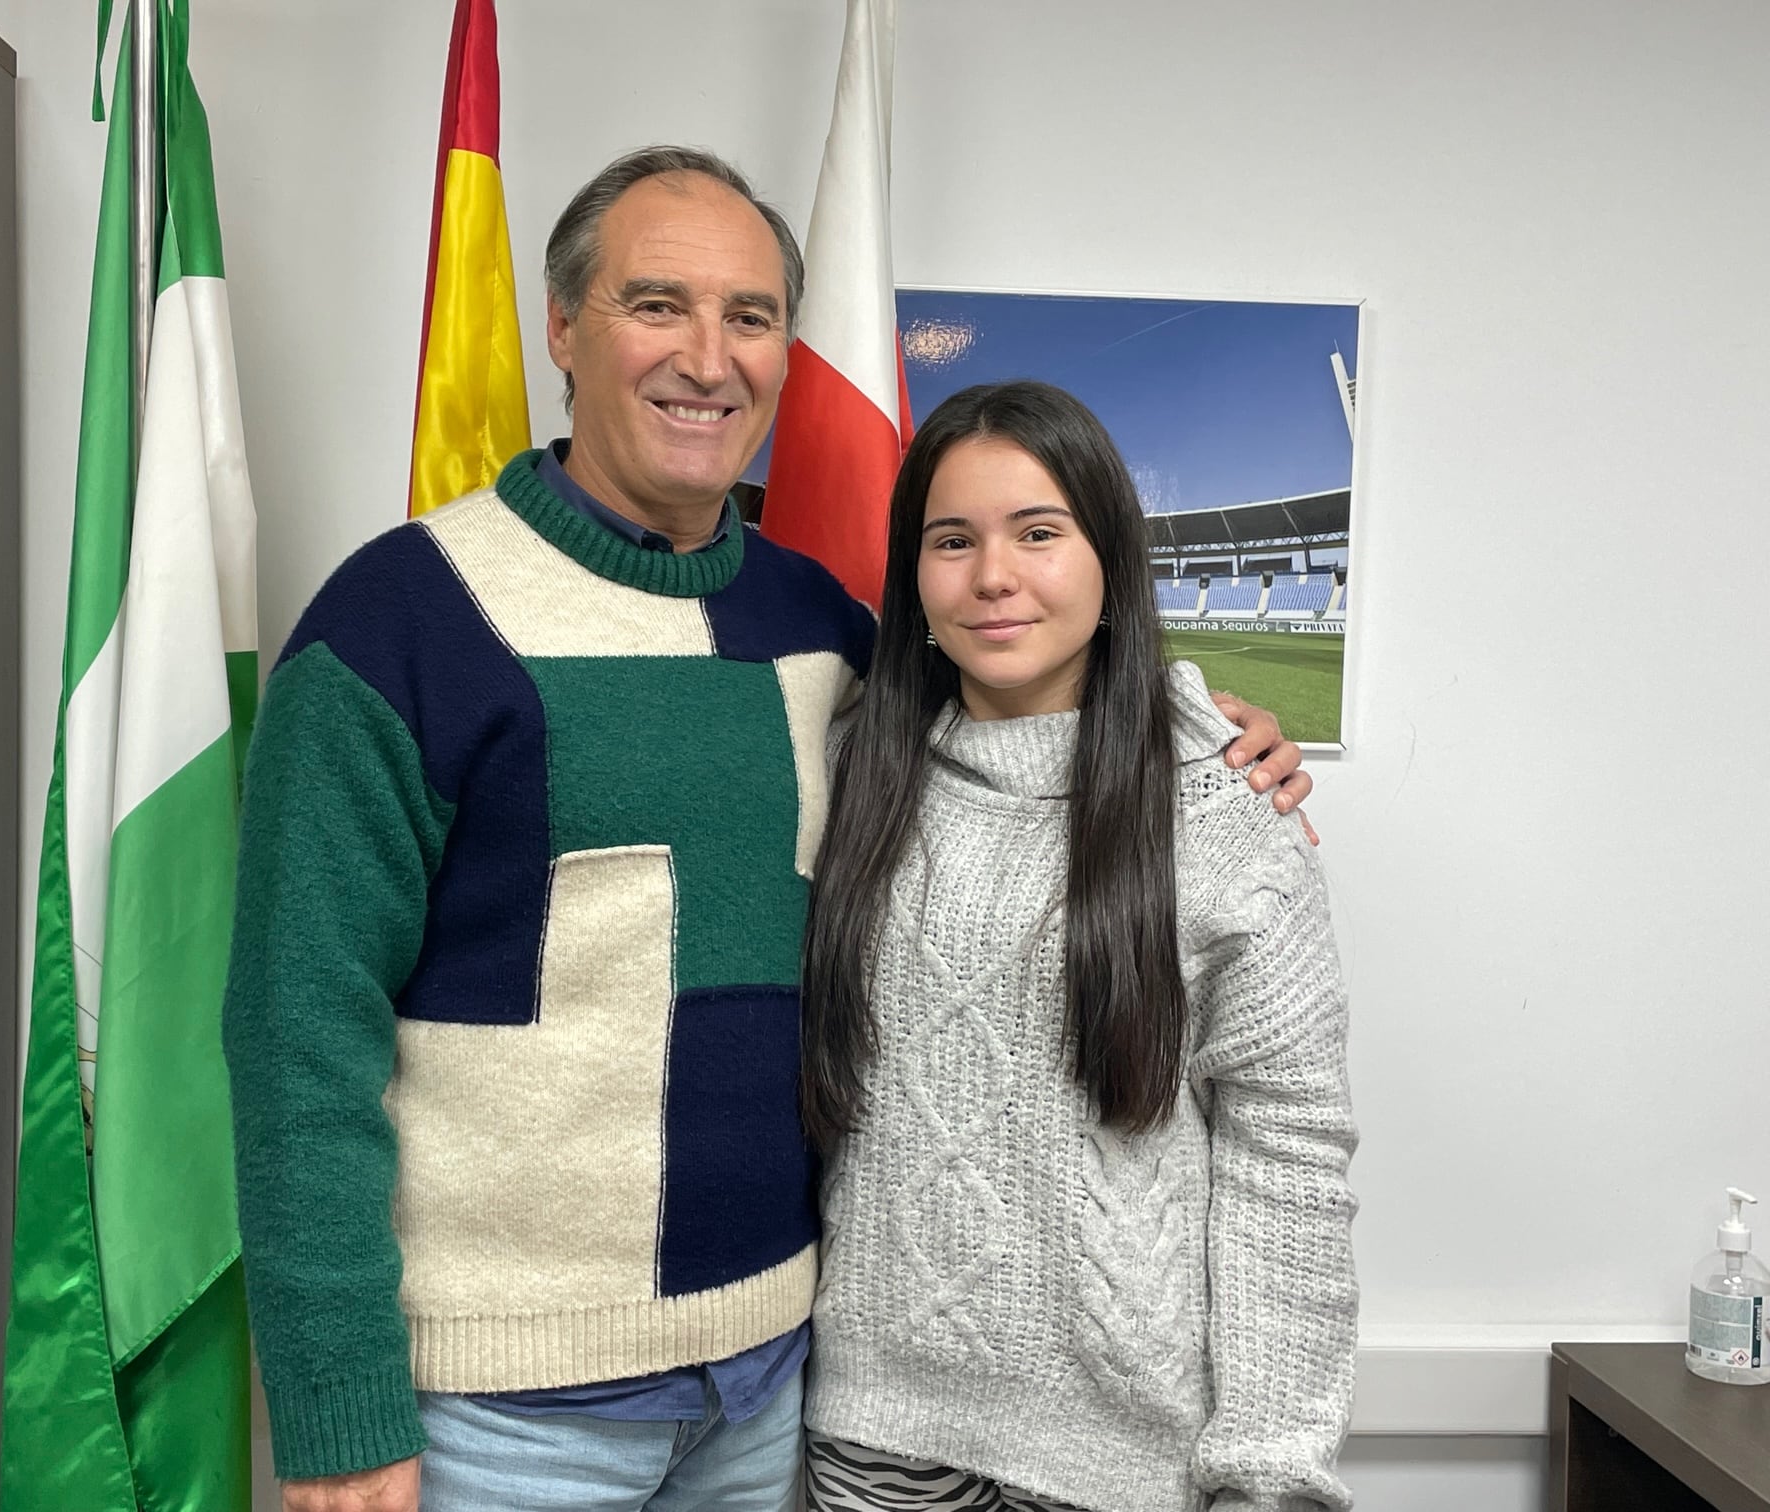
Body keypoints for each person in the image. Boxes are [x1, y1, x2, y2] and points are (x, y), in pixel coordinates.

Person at [221, 147, 1311, 1512]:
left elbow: (1025, 702)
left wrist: (1202, 727)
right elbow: (294, 1043)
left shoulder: (826, 630)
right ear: (562, 326)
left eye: (750, 316)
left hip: (774, 1394)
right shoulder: (399, 622)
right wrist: (336, 1407)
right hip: (495, 1422)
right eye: (656, 304)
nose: (708, 357)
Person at [800, 381, 1357, 1512]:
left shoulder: (1226, 808)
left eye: (1039, 533)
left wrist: (1273, 1465)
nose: (993, 576)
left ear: (1111, 561)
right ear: (913, 575)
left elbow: (1288, 1159)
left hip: (1124, 1460)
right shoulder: (844, 766)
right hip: (872, 1438)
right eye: (952, 540)